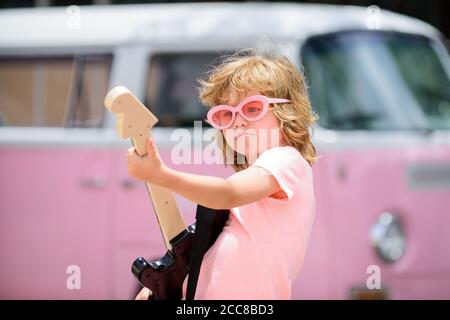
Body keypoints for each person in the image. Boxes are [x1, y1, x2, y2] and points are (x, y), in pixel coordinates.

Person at [129, 50, 318, 300]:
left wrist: (161, 175)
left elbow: (226, 194)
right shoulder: (250, 192)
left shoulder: (286, 160)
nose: (237, 121)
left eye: (252, 109)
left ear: (287, 113)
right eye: (226, 114)